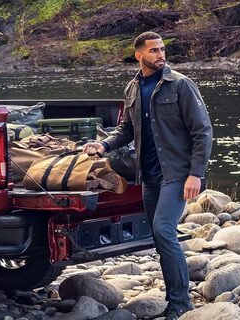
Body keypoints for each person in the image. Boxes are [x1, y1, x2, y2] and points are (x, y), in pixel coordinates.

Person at [83, 31, 213, 319]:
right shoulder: (132, 88)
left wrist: (196, 174)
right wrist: (104, 145)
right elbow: (127, 129)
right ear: (139, 55)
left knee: (164, 230)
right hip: (149, 175)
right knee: (158, 236)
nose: (160, 54)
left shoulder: (181, 85)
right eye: (154, 50)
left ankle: (181, 303)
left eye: (162, 49)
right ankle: (173, 298)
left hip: (176, 173)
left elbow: (202, 131)